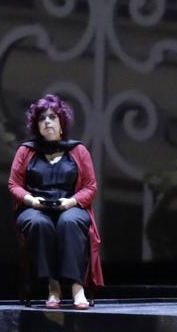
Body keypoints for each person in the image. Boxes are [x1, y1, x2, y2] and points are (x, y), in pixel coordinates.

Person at [10, 94, 105, 308]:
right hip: (35, 206)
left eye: (52, 117)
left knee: (69, 222)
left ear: (61, 123)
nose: (47, 121)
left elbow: (91, 186)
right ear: (37, 126)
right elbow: (13, 184)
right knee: (39, 223)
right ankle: (53, 287)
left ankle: (76, 286)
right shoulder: (26, 151)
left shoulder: (78, 150)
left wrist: (70, 202)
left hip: (69, 205)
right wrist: (32, 201)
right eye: (42, 118)